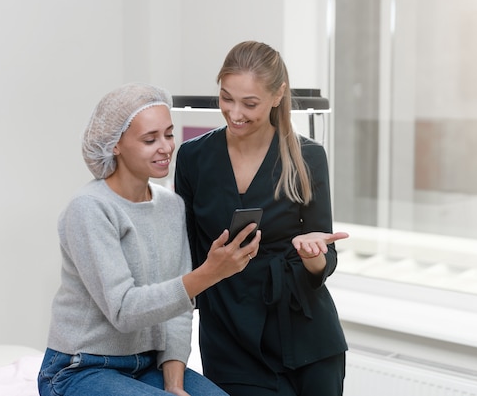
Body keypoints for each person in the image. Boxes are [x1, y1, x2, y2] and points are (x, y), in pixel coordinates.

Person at [38, 82, 261, 396]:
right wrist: (209, 273)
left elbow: (179, 309)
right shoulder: (89, 209)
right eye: (149, 139)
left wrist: (175, 385)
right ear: (115, 144)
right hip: (79, 369)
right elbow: (125, 311)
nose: (166, 147)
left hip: (146, 365)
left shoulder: (170, 206)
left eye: (169, 134)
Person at [174, 41, 349, 396]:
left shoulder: (308, 157)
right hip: (229, 335)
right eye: (226, 98)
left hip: (307, 337)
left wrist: (313, 256)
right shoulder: (193, 158)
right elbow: (185, 258)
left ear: (277, 96)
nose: (235, 112)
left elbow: (324, 261)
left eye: (249, 103)